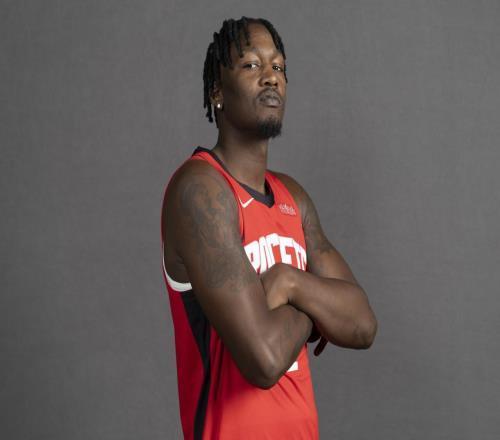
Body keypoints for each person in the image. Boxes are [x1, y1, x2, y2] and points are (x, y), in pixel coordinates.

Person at [161, 16, 378, 440]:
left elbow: (362, 323)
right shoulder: (200, 191)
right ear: (217, 91)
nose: (271, 77)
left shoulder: (292, 197)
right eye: (251, 65)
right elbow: (263, 359)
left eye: (278, 66)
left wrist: (289, 283)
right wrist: (316, 309)